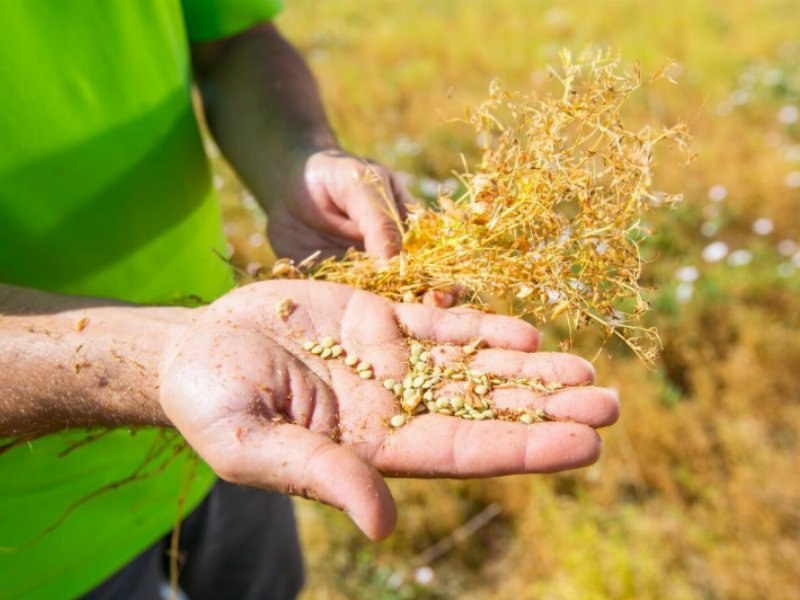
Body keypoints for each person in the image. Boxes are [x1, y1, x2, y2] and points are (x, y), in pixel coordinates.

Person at [0, 1, 620, 598]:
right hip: (39, 552)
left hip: (261, 395)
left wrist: (298, 158)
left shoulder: (273, 375)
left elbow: (232, 42)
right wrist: (158, 360)